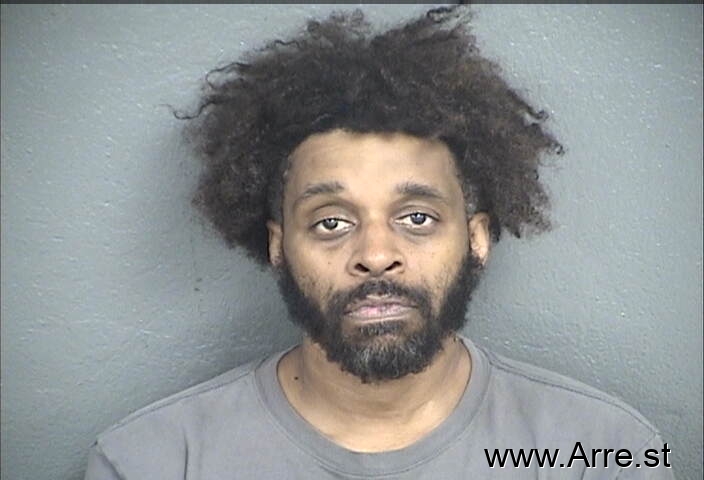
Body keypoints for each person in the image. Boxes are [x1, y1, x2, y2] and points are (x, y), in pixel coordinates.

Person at [85, 6, 674, 479]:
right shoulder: (155, 461)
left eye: (416, 217)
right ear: (277, 246)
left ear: (476, 238)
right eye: (331, 223)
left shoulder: (603, 452)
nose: (375, 254)